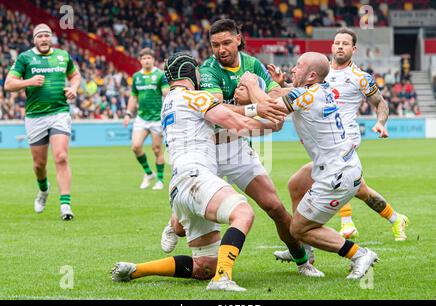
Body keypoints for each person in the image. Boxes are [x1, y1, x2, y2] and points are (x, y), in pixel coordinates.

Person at [160, 19, 320, 275]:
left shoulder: (253, 64)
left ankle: (302, 260)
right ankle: (174, 223)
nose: (220, 49)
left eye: (225, 43)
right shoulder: (209, 70)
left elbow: (276, 97)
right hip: (209, 151)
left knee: (275, 207)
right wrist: (254, 104)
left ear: (238, 39)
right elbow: (219, 109)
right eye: (215, 45)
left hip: (235, 147)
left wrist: (262, 95)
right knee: (182, 228)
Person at [112, 52, 283, 291]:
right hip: (196, 178)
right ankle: (222, 278)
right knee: (243, 213)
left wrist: (258, 111)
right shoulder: (194, 96)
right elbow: (237, 123)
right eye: (198, 72)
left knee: (204, 266)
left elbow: (228, 114)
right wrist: (268, 115)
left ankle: (135, 269)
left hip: (179, 186)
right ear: (190, 72)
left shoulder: (169, 101)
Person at [241, 52, 379, 279]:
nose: (293, 69)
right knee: (297, 184)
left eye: (298, 66)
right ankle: (306, 249)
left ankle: (359, 254)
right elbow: (287, 93)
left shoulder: (307, 95)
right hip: (340, 163)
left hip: (336, 174)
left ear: (312, 75)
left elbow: (268, 106)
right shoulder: (318, 89)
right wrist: (278, 84)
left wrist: (251, 84)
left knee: (298, 229)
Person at [269, 28, 409, 246]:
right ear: (332, 47)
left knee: (337, 179)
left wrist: (381, 123)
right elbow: (300, 95)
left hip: (345, 137)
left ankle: (343, 225)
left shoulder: (361, 78)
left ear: (354, 49)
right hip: (323, 135)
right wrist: (282, 84)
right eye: (337, 43)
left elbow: (380, 103)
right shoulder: (322, 71)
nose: (340, 47)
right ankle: (395, 218)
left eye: (345, 43)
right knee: (356, 188)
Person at [4, 24, 81, 220]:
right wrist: (28, 82)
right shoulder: (25, 58)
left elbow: (75, 75)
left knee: (61, 156)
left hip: (59, 112)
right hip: (35, 116)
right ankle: (44, 190)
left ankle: (65, 205)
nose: (44, 39)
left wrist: (73, 88)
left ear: (52, 38)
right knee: (39, 165)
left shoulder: (63, 56)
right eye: (40, 36)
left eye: (47, 35)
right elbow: (9, 84)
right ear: (34, 40)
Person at [123, 48, 170, 190]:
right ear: (140, 60)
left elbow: (166, 93)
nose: (146, 60)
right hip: (142, 118)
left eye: (149, 58)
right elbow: (133, 96)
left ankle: (160, 180)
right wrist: (127, 113)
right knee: (136, 146)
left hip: (156, 118)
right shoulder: (136, 76)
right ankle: (149, 173)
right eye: (144, 58)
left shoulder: (160, 75)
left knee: (156, 149)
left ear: (153, 60)